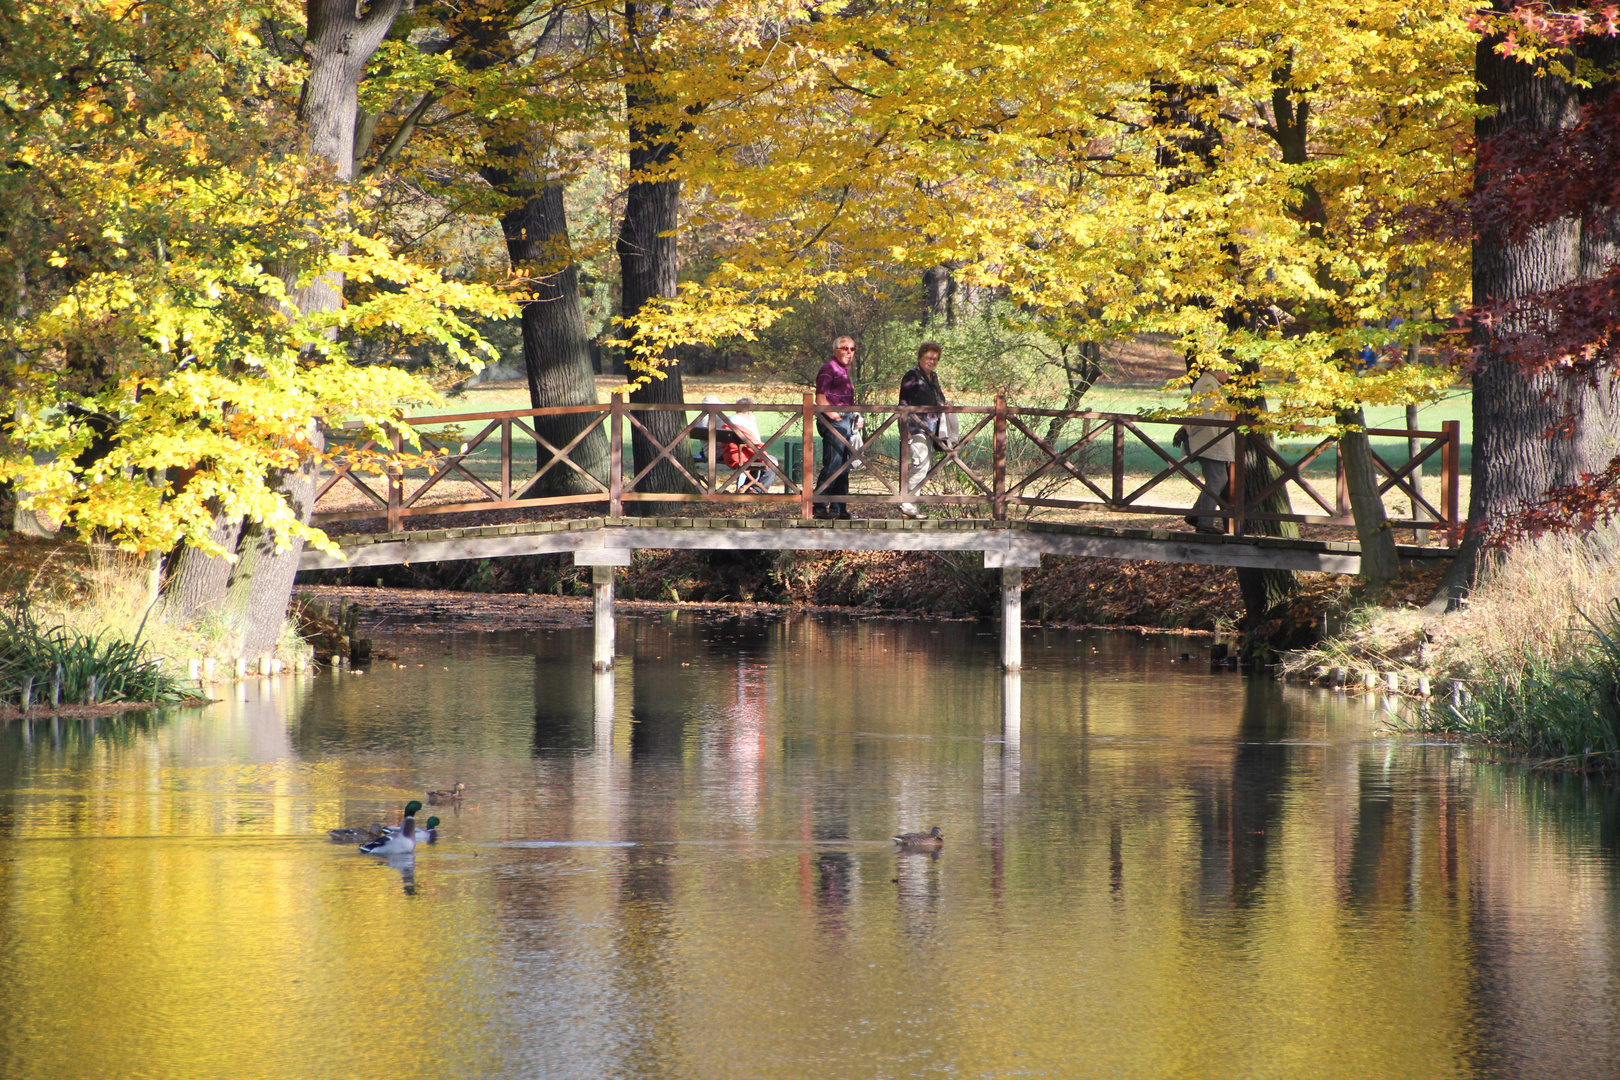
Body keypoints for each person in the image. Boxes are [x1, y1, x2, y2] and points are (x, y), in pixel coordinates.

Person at [1179, 367, 1236, 533]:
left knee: (1219, 478)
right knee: (1217, 479)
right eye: (1228, 370)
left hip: (1212, 442)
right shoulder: (1207, 385)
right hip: (1211, 442)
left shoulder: (1210, 383)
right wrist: (1191, 433)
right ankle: (1204, 522)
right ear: (1217, 368)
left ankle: (1197, 515)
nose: (1230, 375)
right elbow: (1203, 415)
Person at [898, 341, 948, 519]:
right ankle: (906, 503)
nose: (932, 361)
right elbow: (903, 403)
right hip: (915, 427)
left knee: (923, 466)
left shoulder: (932, 378)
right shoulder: (912, 376)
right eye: (929, 357)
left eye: (935, 358)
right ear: (920, 358)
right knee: (920, 464)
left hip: (930, 429)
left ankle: (911, 507)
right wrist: (905, 430)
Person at [814, 335, 859, 518]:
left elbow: (845, 398)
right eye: (844, 348)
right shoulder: (829, 369)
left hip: (846, 419)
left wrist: (855, 416)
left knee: (844, 465)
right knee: (833, 464)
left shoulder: (844, 370)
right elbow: (820, 397)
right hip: (834, 421)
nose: (849, 352)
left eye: (852, 349)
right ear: (835, 350)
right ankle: (818, 505)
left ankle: (838, 508)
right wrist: (834, 416)